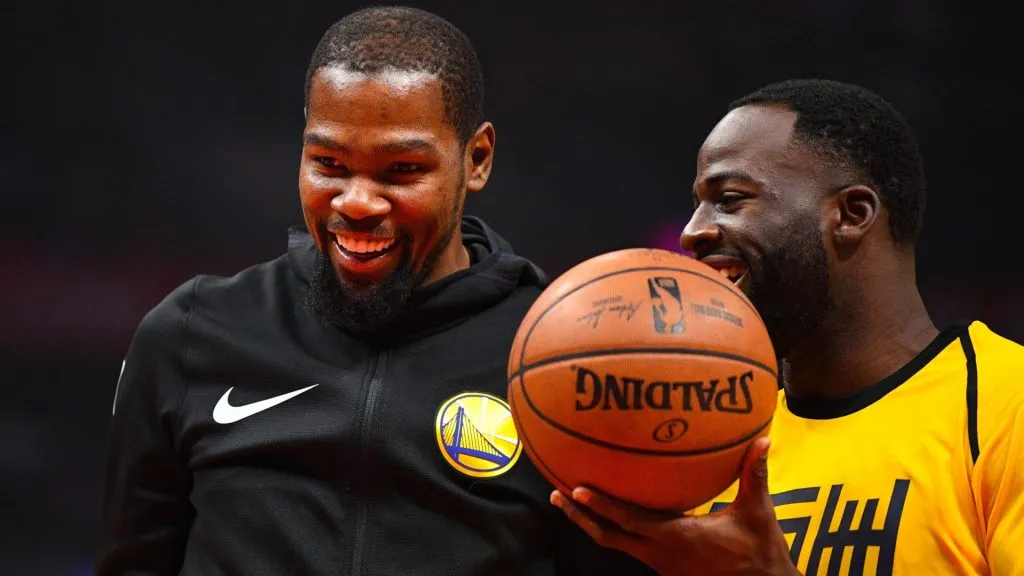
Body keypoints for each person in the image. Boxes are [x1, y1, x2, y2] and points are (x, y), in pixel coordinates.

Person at [96, 6, 653, 575]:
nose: (356, 202)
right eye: (329, 163)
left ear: (476, 159)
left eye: (402, 170)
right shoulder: (190, 332)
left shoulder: (566, 359)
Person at [551, 79, 1024, 575]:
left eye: (730, 199)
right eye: (697, 203)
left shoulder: (1002, 404)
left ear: (851, 214)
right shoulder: (704, 433)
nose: (691, 232)